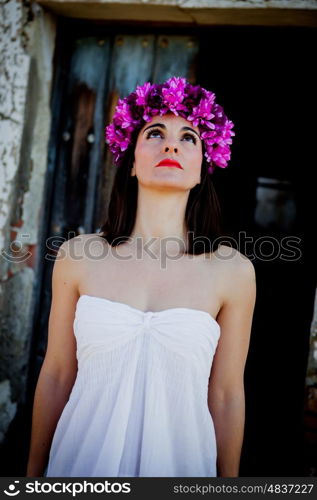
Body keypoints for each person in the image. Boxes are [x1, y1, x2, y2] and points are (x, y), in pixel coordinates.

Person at [26, 77, 256, 477]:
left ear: (203, 167)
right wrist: (31, 477)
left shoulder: (232, 271)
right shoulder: (79, 256)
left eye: (189, 137)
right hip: (79, 468)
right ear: (131, 161)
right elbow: (58, 372)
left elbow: (226, 394)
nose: (171, 145)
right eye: (155, 133)